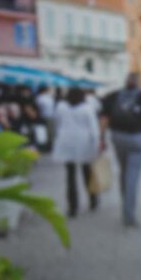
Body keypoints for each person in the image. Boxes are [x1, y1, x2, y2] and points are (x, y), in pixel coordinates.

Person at [100, 73, 141, 227]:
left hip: (118, 137)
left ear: (125, 82)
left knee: (124, 172)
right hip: (138, 139)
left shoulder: (113, 96)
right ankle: (129, 215)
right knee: (133, 176)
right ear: (138, 82)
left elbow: (104, 119)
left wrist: (101, 139)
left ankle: (125, 206)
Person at [51, 87, 100, 217]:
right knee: (87, 173)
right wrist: (96, 146)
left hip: (66, 142)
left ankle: (73, 207)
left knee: (70, 176)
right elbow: (94, 130)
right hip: (84, 143)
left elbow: (56, 124)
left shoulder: (61, 107)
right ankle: (93, 199)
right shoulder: (87, 108)